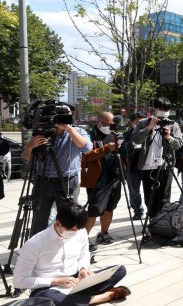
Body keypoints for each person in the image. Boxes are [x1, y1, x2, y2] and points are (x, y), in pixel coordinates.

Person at [13, 203, 130, 305]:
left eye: (78, 230)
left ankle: (79, 300)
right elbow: (19, 280)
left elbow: (84, 254)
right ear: (57, 223)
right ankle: (103, 297)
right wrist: (56, 281)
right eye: (72, 231)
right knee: (52, 299)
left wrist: (83, 268)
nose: (76, 233)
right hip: (49, 288)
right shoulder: (35, 243)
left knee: (120, 270)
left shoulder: (80, 231)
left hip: (76, 281)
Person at [22, 103, 93, 236]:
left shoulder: (78, 132)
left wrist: (69, 129)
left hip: (66, 181)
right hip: (43, 180)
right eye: (60, 116)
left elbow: (87, 148)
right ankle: (38, 249)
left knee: (69, 218)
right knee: (39, 219)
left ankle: (67, 247)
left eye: (66, 116)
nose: (63, 118)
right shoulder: (42, 132)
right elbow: (26, 158)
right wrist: (30, 146)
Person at [131, 97, 183, 219]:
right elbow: (135, 139)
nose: (163, 111)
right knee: (149, 197)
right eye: (161, 108)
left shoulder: (173, 124)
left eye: (166, 109)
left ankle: (162, 223)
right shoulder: (143, 122)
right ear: (155, 109)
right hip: (147, 165)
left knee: (164, 197)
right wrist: (149, 128)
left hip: (165, 165)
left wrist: (169, 137)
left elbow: (179, 144)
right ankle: (152, 221)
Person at [82, 112, 122, 249]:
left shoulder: (115, 133)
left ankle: (104, 233)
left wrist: (123, 147)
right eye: (106, 124)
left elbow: (125, 153)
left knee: (110, 208)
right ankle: (83, 240)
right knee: (94, 210)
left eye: (112, 124)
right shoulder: (89, 135)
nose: (109, 127)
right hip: (98, 179)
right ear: (98, 122)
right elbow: (86, 156)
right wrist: (106, 148)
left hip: (115, 176)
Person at [122, 112, 145, 220]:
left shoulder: (148, 133)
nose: (139, 123)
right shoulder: (127, 134)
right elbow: (125, 148)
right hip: (132, 166)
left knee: (149, 189)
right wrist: (134, 139)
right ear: (132, 123)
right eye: (137, 121)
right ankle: (138, 210)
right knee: (134, 191)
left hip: (146, 166)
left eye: (141, 121)